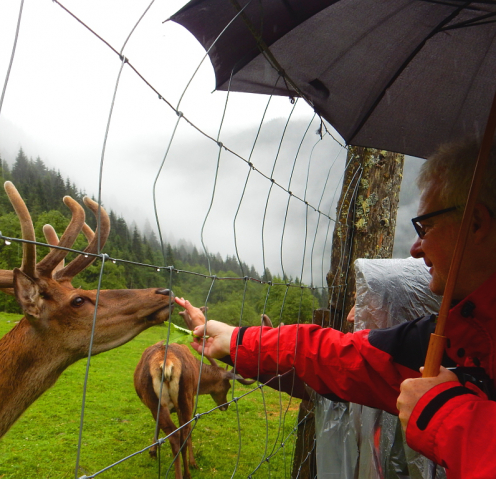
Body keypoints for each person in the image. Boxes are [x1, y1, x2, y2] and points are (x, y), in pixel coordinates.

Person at [174, 137, 496, 479]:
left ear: (475, 223)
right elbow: (344, 357)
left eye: (426, 227)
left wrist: (446, 417)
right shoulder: (460, 334)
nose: (415, 248)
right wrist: (239, 340)